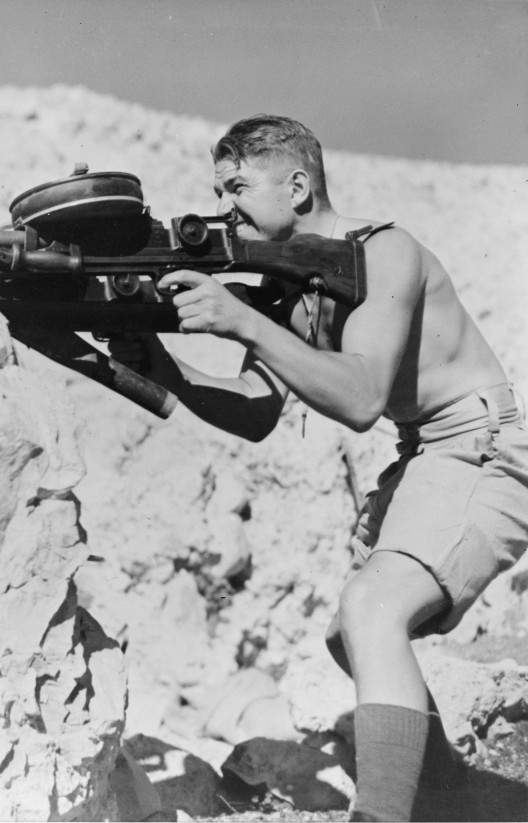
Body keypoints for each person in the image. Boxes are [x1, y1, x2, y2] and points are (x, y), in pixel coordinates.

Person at [108, 114, 528, 822]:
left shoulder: (386, 252)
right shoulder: (290, 283)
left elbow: (361, 396)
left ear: (298, 185)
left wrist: (242, 321)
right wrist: (167, 368)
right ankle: (456, 791)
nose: (225, 207)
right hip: (425, 449)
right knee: (351, 636)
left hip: (481, 444)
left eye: (238, 186)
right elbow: (255, 409)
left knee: (374, 608)